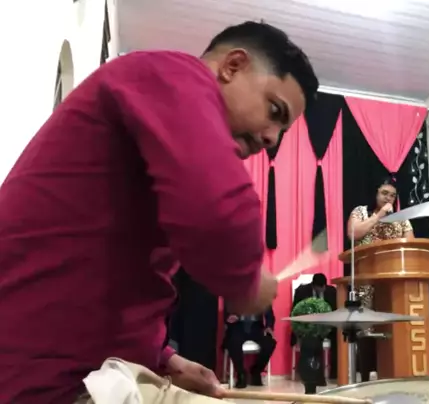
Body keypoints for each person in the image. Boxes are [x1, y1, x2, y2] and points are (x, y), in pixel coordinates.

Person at [0, 21, 318, 403]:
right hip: (48, 382)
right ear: (232, 66)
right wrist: (248, 280)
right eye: (274, 110)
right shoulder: (172, 74)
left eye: (282, 130)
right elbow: (218, 214)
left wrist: (166, 360)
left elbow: (118, 272)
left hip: (89, 374)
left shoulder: (151, 105)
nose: (271, 138)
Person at [346, 177, 414, 381]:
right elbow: (353, 234)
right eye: (384, 193)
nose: (388, 198)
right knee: (366, 330)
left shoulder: (401, 218)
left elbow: (410, 245)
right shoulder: (361, 212)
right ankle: (365, 376)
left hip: (393, 283)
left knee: (392, 327)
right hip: (365, 280)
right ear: (375, 193)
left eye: (392, 195)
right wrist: (380, 215)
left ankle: (394, 372)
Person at [291, 273, 338, 379]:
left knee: (340, 337)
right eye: (319, 288)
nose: (322, 290)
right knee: (312, 340)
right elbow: (295, 312)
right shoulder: (301, 291)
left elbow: (336, 311)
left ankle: (335, 372)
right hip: (309, 327)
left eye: (323, 287)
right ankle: (313, 373)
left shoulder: (332, 291)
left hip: (328, 326)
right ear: (313, 285)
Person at [223, 306, 276, 388]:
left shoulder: (262, 299)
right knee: (233, 342)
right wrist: (229, 318)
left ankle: (256, 371)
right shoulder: (233, 298)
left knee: (269, 343)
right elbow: (226, 314)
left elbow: (269, 315)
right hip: (237, 326)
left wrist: (269, 327)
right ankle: (241, 374)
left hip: (256, 328)